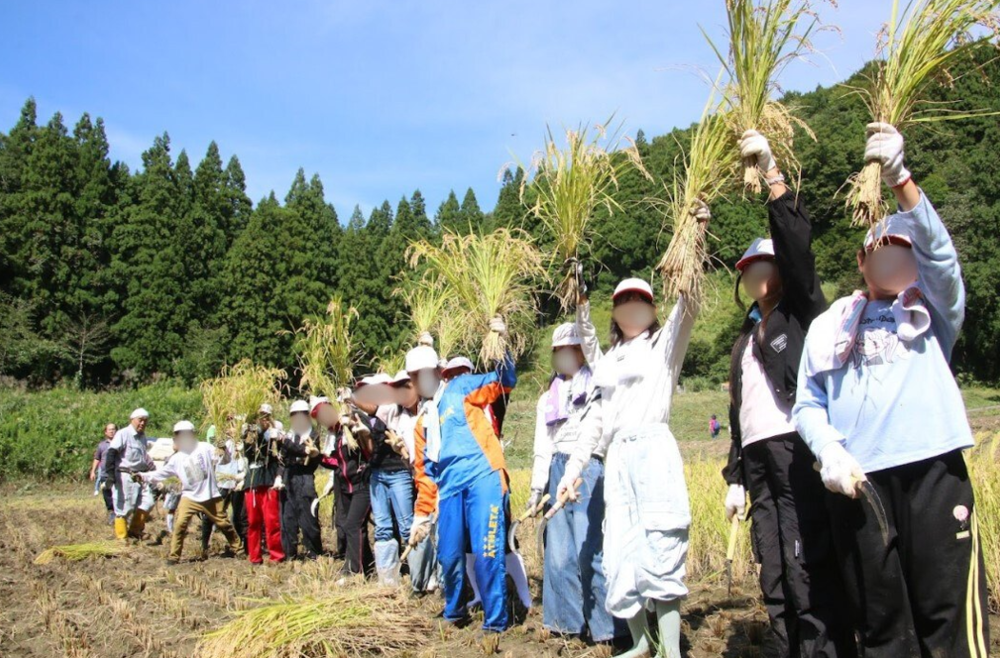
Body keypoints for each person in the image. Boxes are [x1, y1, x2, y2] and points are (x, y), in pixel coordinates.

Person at [794, 123, 989, 657]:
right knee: (881, 624)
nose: (892, 259)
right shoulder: (831, 325)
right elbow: (808, 402)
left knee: (946, 619)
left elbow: (942, 258)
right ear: (861, 262)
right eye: (880, 250)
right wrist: (829, 450)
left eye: (902, 251)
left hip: (932, 474)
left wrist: (901, 180)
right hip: (860, 485)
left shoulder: (934, 312)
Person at [719, 129, 853, 658]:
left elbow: (799, 251)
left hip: (795, 447)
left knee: (804, 559)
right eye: (748, 269)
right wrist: (734, 478)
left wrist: (773, 178)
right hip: (756, 458)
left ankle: (822, 648)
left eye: (763, 265)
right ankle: (784, 646)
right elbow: (738, 415)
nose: (755, 275)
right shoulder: (743, 341)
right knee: (770, 561)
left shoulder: (801, 314)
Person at [559, 265, 705, 658]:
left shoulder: (664, 347)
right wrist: (581, 300)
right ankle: (641, 641)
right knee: (621, 548)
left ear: (653, 308)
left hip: (653, 449)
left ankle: (669, 649)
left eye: (640, 299)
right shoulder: (609, 361)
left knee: (661, 540)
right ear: (615, 310)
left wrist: (692, 247)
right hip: (618, 457)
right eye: (624, 300)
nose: (632, 306)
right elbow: (589, 345)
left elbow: (686, 308)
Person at [407, 316, 516, 637]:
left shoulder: (462, 388)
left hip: (484, 478)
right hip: (450, 489)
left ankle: (495, 621)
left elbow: (504, 380)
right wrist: (422, 516)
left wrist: (502, 344)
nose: (418, 381)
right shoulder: (422, 422)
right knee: (449, 554)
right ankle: (454, 611)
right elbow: (425, 474)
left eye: (421, 374)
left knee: (487, 552)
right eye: (413, 377)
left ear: (436, 373)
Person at [530, 321, 618, 644]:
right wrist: (537, 488)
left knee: (589, 549)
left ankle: (607, 628)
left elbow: (600, 433)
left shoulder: (597, 386)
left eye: (572, 349)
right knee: (559, 553)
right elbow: (544, 446)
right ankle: (566, 624)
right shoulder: (546, 399)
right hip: (556, 469)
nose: (566, 355)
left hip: (588, 468)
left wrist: (589, 462)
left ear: (581, 351)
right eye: (560, 351)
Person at [137, 421, 243, 565]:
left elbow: (224, 460)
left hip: (210, 496)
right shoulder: (176, 458)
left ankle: (239, 549)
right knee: (180, 524)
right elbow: (161, 474)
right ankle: (174, 556)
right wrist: (142, 476)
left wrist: (222, 447)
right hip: (190, 497)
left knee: (224, 524)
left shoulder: (205, 448)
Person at [315, 396, 375, 579]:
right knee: (356, 527)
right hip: (347, 486)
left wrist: (354, 428)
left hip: (362, 483)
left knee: (353, 525)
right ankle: (367, 566)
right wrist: (318, 456)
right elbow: (337, 462)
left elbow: (369, 449)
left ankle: (354, 570)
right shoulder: (338, 434)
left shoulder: (354, 421)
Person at [277, 399, 324, 560]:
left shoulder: (313, 435)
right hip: (289, 476)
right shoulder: (290, 434)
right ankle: (289, 553)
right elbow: (282, 458)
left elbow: (307, 454)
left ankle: (314, 552)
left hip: (305, 477)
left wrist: (287, 443)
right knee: (287, 517)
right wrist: (278, 476)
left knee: (308, 516)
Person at [105, 408, 156, 541]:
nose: (142, 423)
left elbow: (144, 457)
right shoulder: (123, 433)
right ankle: (122, 537)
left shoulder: (142, 437)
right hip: (125, 475)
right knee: (124, 508)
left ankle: (134, 530)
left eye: (145, 421)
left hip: (140, 475)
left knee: (148, 502)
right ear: (132, 420)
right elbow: (111, 453)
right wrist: (110, 475)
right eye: (140, 420)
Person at [242, 413, 285, 564]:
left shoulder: (275, 434)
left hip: (269, 482)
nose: (264, 421)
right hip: (253, 482)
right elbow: (247, 452)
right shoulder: (249, 435)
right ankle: (254, 556)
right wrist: (250, 432)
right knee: (253, 522)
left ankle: (276, 555)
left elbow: (280, 457)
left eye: (267, 418)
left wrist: (274, 436)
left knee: (272, 521)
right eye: (261, 418)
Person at [200, 424, 247, 556]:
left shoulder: (243, 440)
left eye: (234, 424)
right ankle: (204, 546)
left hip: (238, 482)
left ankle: (242, 546)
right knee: (210, 514)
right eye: (228, 423)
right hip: (222, 481)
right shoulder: (217, 436)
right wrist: (220, 443)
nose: (231, 427)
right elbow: (211, 444)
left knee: (239, 517)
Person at [90, 422, 117, 525]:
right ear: (106, 432)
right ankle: (111, 514)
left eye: (113, 429)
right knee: (107, 495)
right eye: (109, 429)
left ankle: (118, 515)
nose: (112, 431)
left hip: (116, 474)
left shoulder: (120, 443)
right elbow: (97, 458)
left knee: (117, 495)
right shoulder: (102, 445)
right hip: (105, 475)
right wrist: (93, 471)